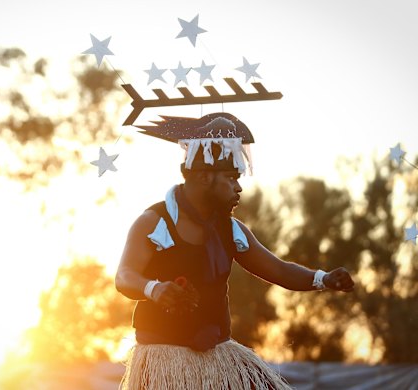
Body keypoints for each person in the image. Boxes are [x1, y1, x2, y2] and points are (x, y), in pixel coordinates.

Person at [114, 112, 355, 389]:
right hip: (164, 363)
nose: (238, 188)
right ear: (204, 177)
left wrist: (322, 279)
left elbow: (278, 270)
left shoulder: (231, 230)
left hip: (218, 355)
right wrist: (154, 289)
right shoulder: (154, 223)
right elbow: (125, 276)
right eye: (230, 178)